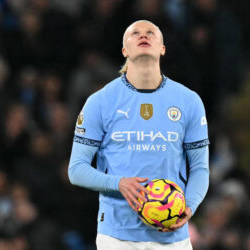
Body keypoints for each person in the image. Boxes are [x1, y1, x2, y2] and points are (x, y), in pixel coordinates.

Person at [68, 20, 210, 250]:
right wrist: (119, 183)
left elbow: (200, 169)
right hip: (117, 237)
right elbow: (76, 170)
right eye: (135, 33)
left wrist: (190, 205)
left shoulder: (189, 101)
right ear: (125, 50)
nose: (143, 35)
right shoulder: (100, 102)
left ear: (162, 48)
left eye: (151, 33)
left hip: (172, 236)